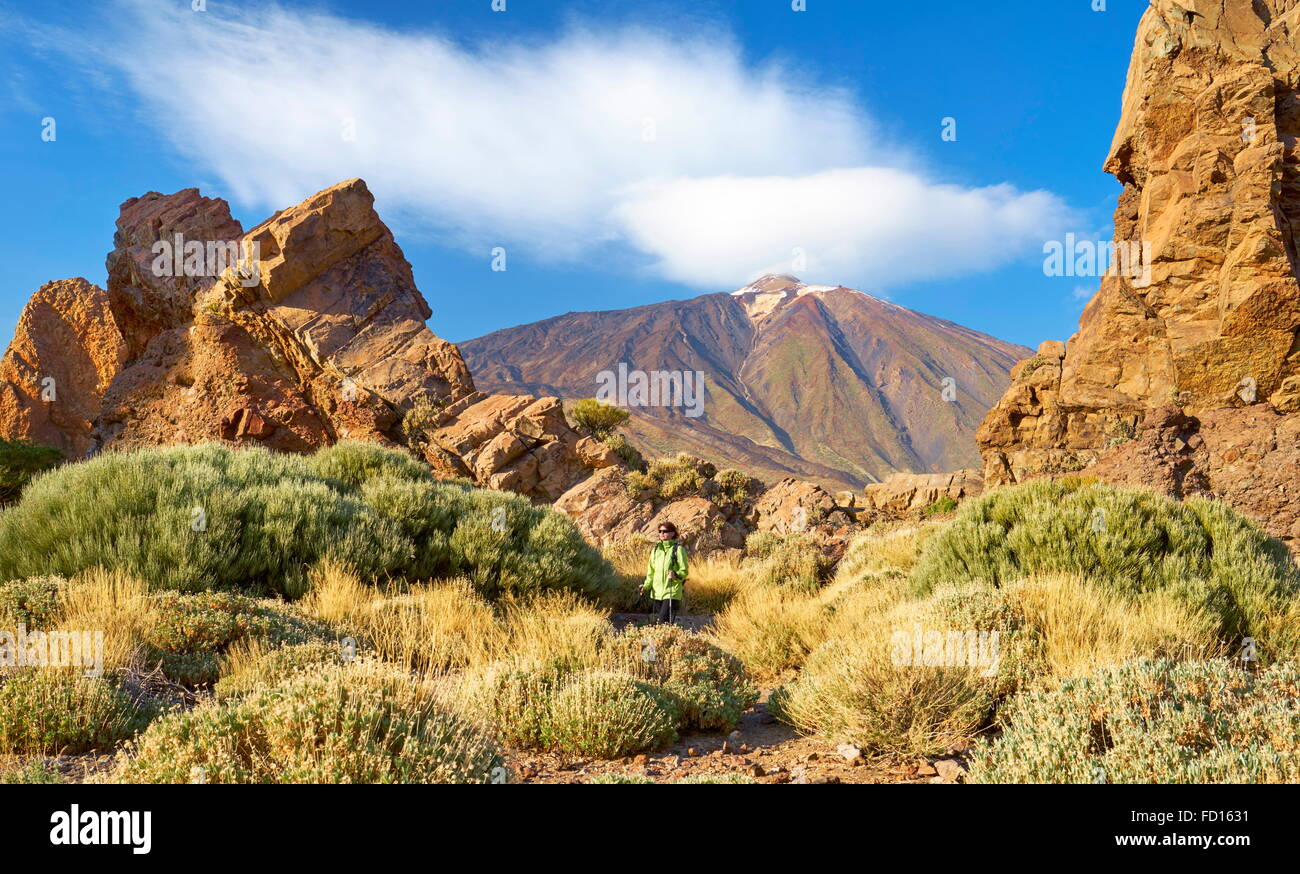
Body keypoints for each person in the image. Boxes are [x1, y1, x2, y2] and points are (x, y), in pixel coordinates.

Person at [640, 522, 688, 624]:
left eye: (665, 531)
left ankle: (666, 638)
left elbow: (684, 570)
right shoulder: (655, 550)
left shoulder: (678, 549)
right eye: (660, 531)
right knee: (665, 623)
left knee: (662, 621)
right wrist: (646, 586)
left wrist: (676, 575)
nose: (662, 533)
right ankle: (670, 638)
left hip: (672, 591)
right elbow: (651, 572)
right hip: (657, 592)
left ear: (672, 533)